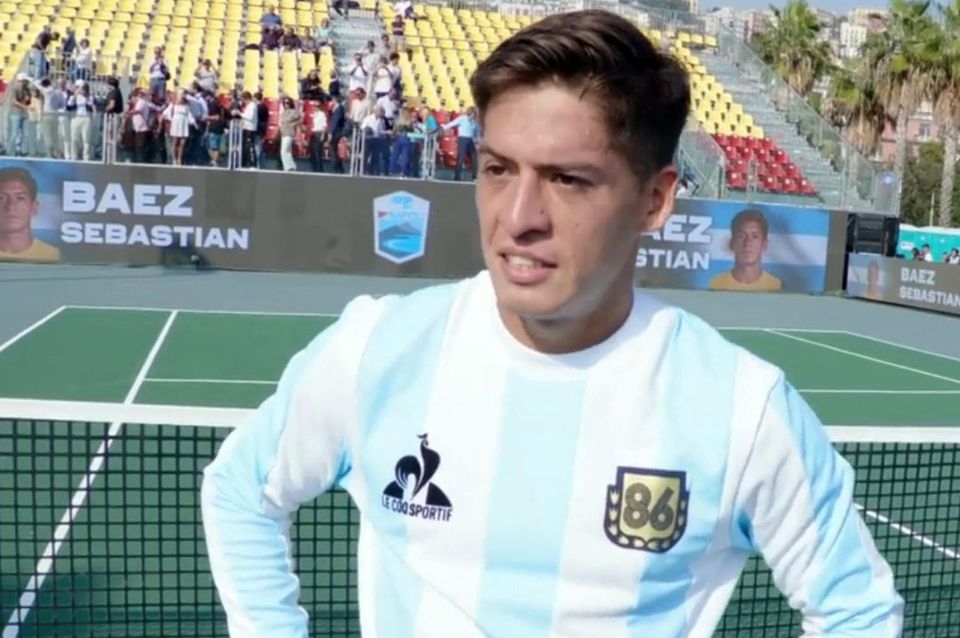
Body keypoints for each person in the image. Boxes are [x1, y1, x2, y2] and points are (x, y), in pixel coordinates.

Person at [201, 9, 903, 637]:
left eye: (567, 179)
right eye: (498, 170)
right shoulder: (376, 350)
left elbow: (859, 612)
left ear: (656, 200)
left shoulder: (745, 410)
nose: (518, 217)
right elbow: (240, 490)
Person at [709, 208, 783, 292]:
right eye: (741, 236)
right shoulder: (716, 284)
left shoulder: (775, 286)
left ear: (764, 244)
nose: (747, 243)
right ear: (732, 243)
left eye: (754, 236)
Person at [0, 166, 60, 263]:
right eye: (1, 198)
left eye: (20, 198)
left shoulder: (51, 255)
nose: (10, 206)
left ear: (34, 207)